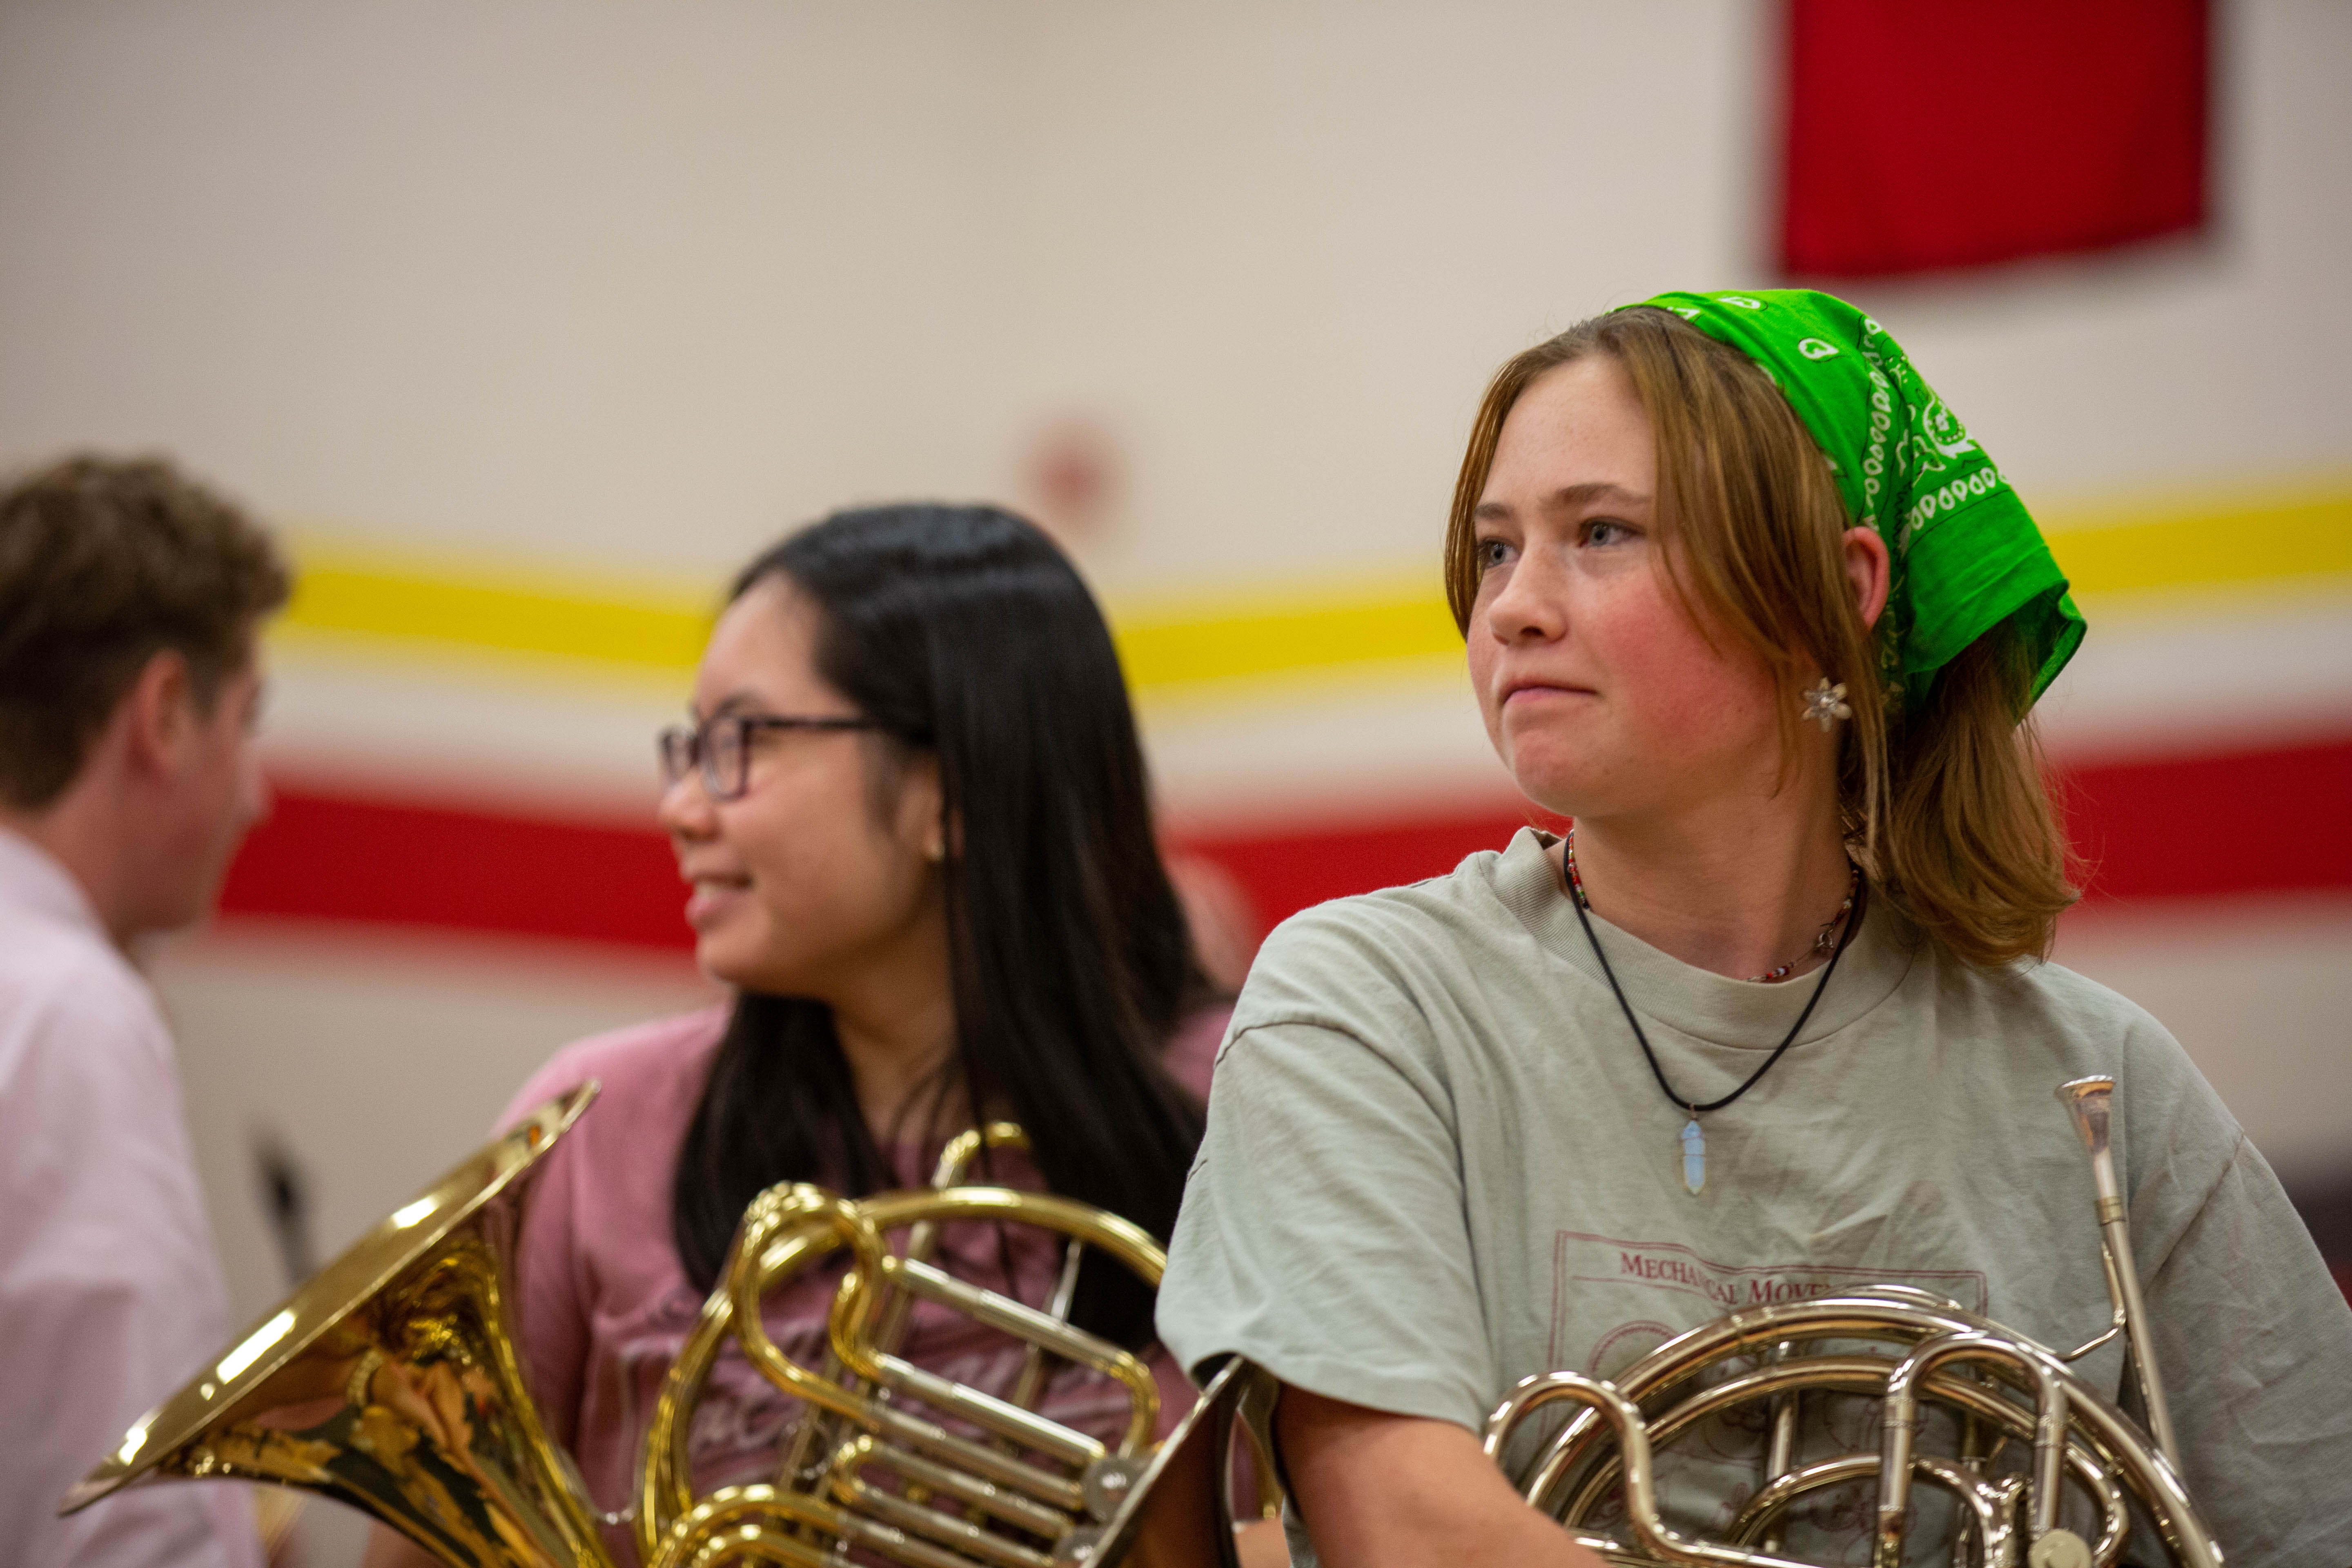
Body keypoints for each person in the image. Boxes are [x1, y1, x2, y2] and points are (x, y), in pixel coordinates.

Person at [1157, 291, 2352, 1568]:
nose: (1512, 608)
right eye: (1497, 549)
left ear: (1834, 596)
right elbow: (1405, 1528)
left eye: (1602, 533)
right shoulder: (1367, 1001)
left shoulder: (2102, 1081)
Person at [365, 503, 1239, 1568]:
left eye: (744, 741)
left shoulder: (1254, 1100)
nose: (683, 808)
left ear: (948, 791)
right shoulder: (594, 1129)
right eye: (688, 747)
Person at [0, 454, 288, 1568]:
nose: (256, 794)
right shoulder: (72, 1015)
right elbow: (120, 1524)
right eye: (247, 721)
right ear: (163, 714)